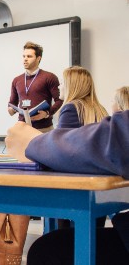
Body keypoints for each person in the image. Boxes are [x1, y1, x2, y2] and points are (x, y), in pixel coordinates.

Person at [5, 111, 129, 264]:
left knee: (47, 250)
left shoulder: (70, 108)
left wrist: (36, 143)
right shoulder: (97, 108)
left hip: (76, 180)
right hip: (103, 192)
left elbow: (119, 140)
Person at [56, 66, 108, 228]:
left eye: (62, 83)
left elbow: (59, 147)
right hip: (98, 187)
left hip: (73, 186)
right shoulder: (100, 110)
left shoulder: (71, 108)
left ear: (72, 85)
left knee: (64, 238)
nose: (59, 87)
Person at [7, 41, 63, 132]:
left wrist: (47, 113)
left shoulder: (49, 77)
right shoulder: (16, 80)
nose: (25, 59)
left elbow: (59, 100)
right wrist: (11, 109)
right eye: (24, 56)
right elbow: (12, 103)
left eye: (29, 56)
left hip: (43, 129)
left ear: (38, 58)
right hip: (22, 129)